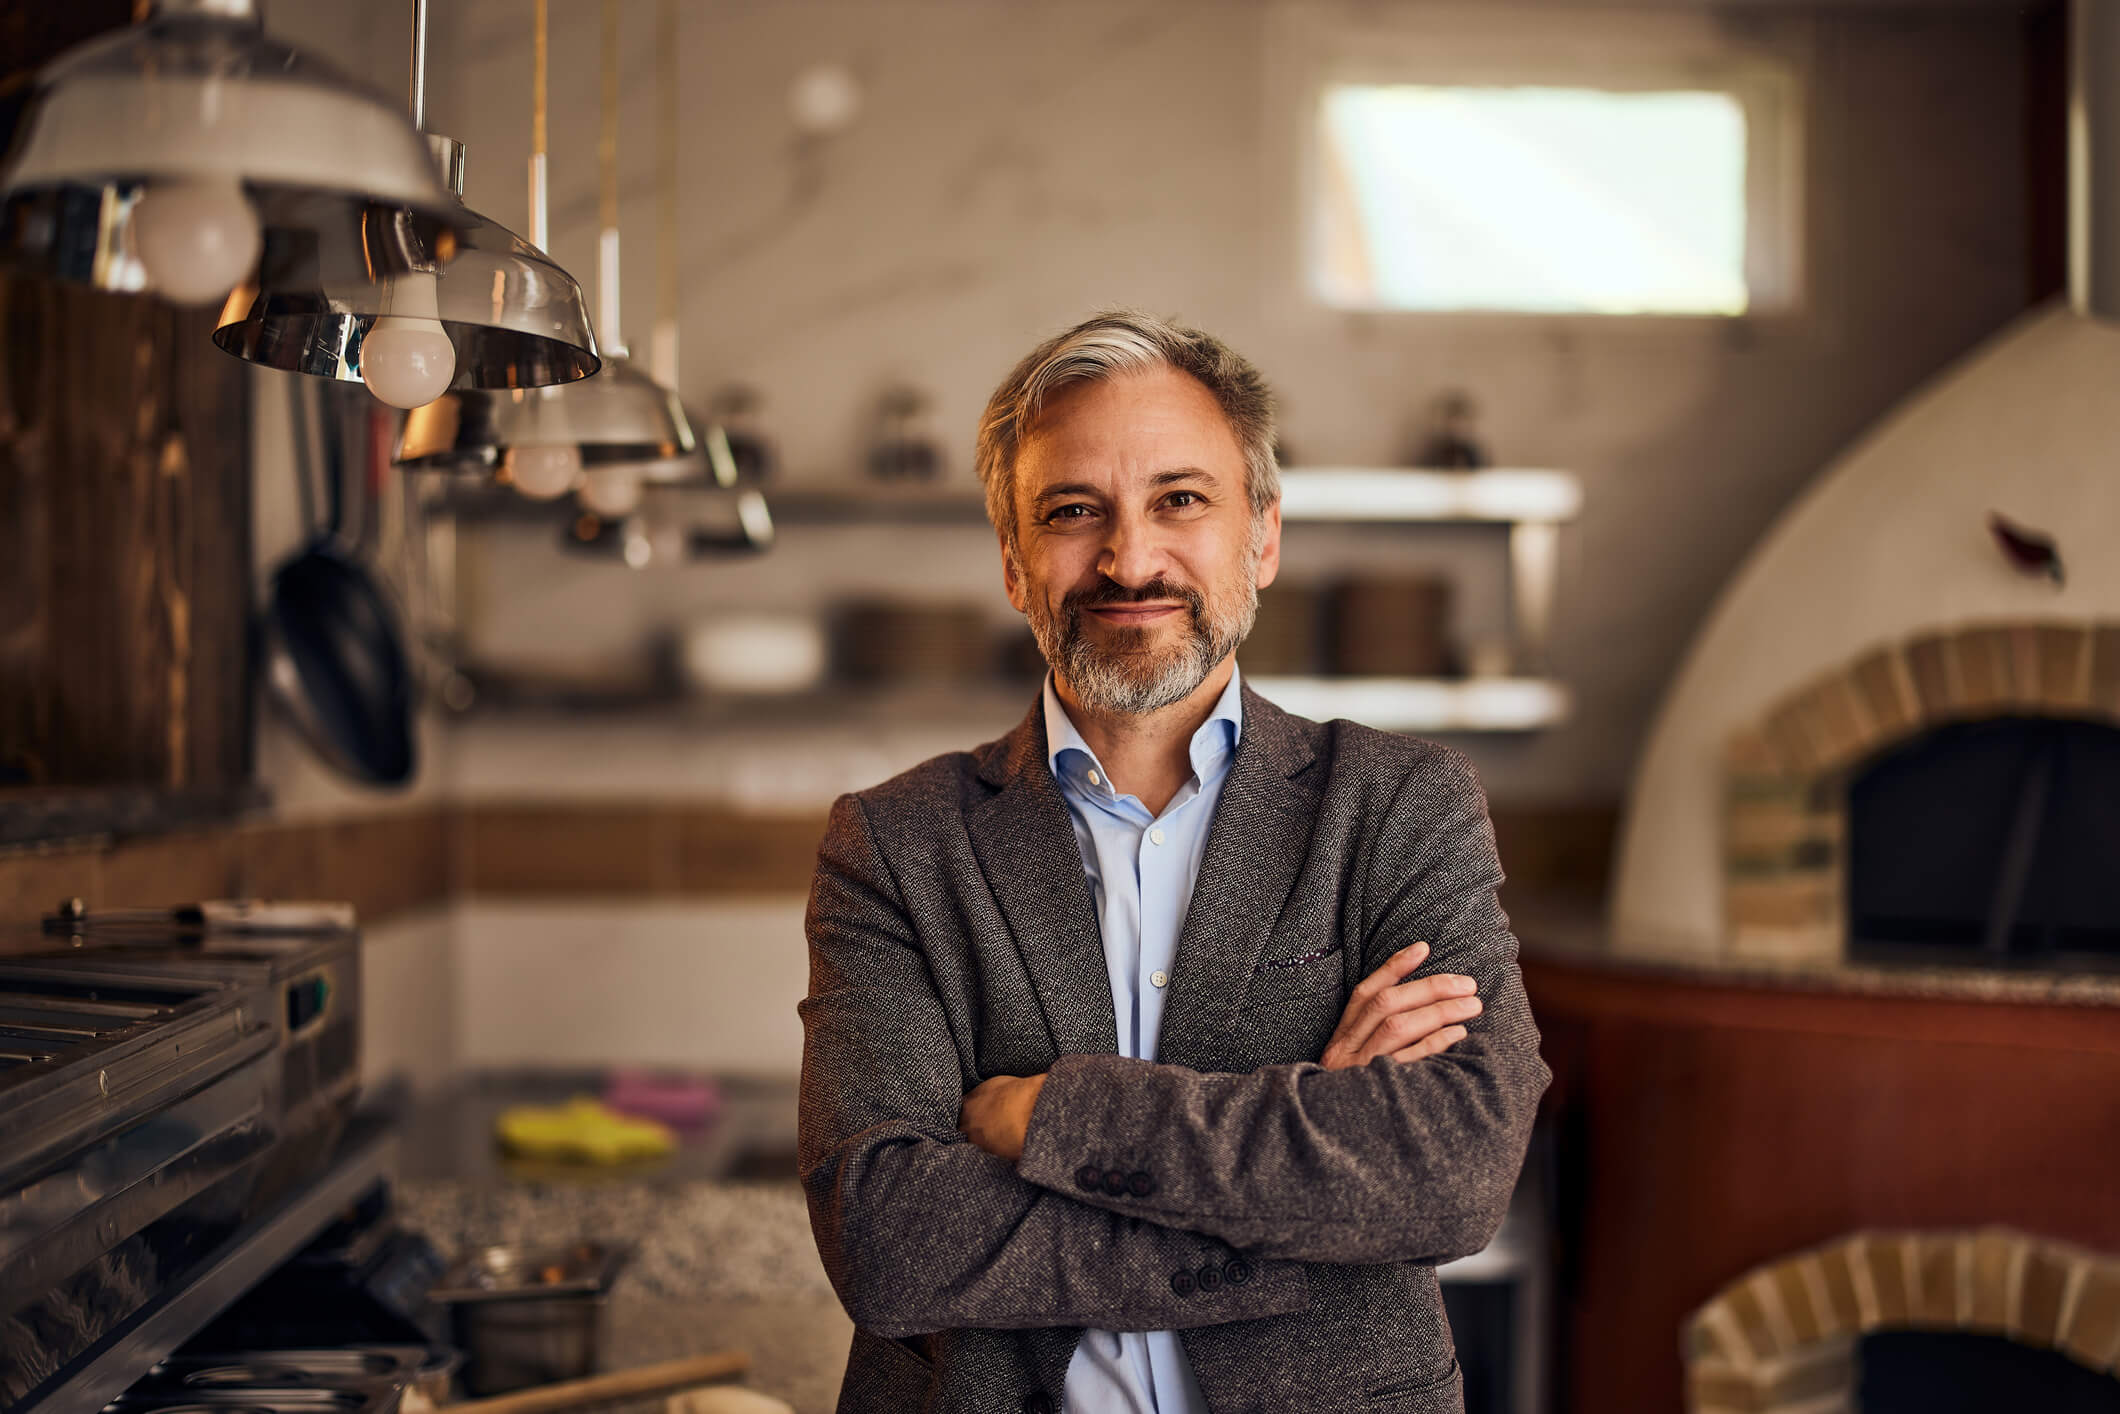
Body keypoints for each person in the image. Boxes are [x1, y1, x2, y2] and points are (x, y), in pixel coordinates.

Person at [797, 310, 1549, 1414]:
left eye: (1179, 500)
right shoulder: (895, 841)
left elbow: (1450, 1171)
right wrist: (1306, 1184)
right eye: (1070, 511)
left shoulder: (1397, 803)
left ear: (1263, 538)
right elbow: (887, 1240)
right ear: (1012, 560)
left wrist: (1050, 1115)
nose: (1128, 558)